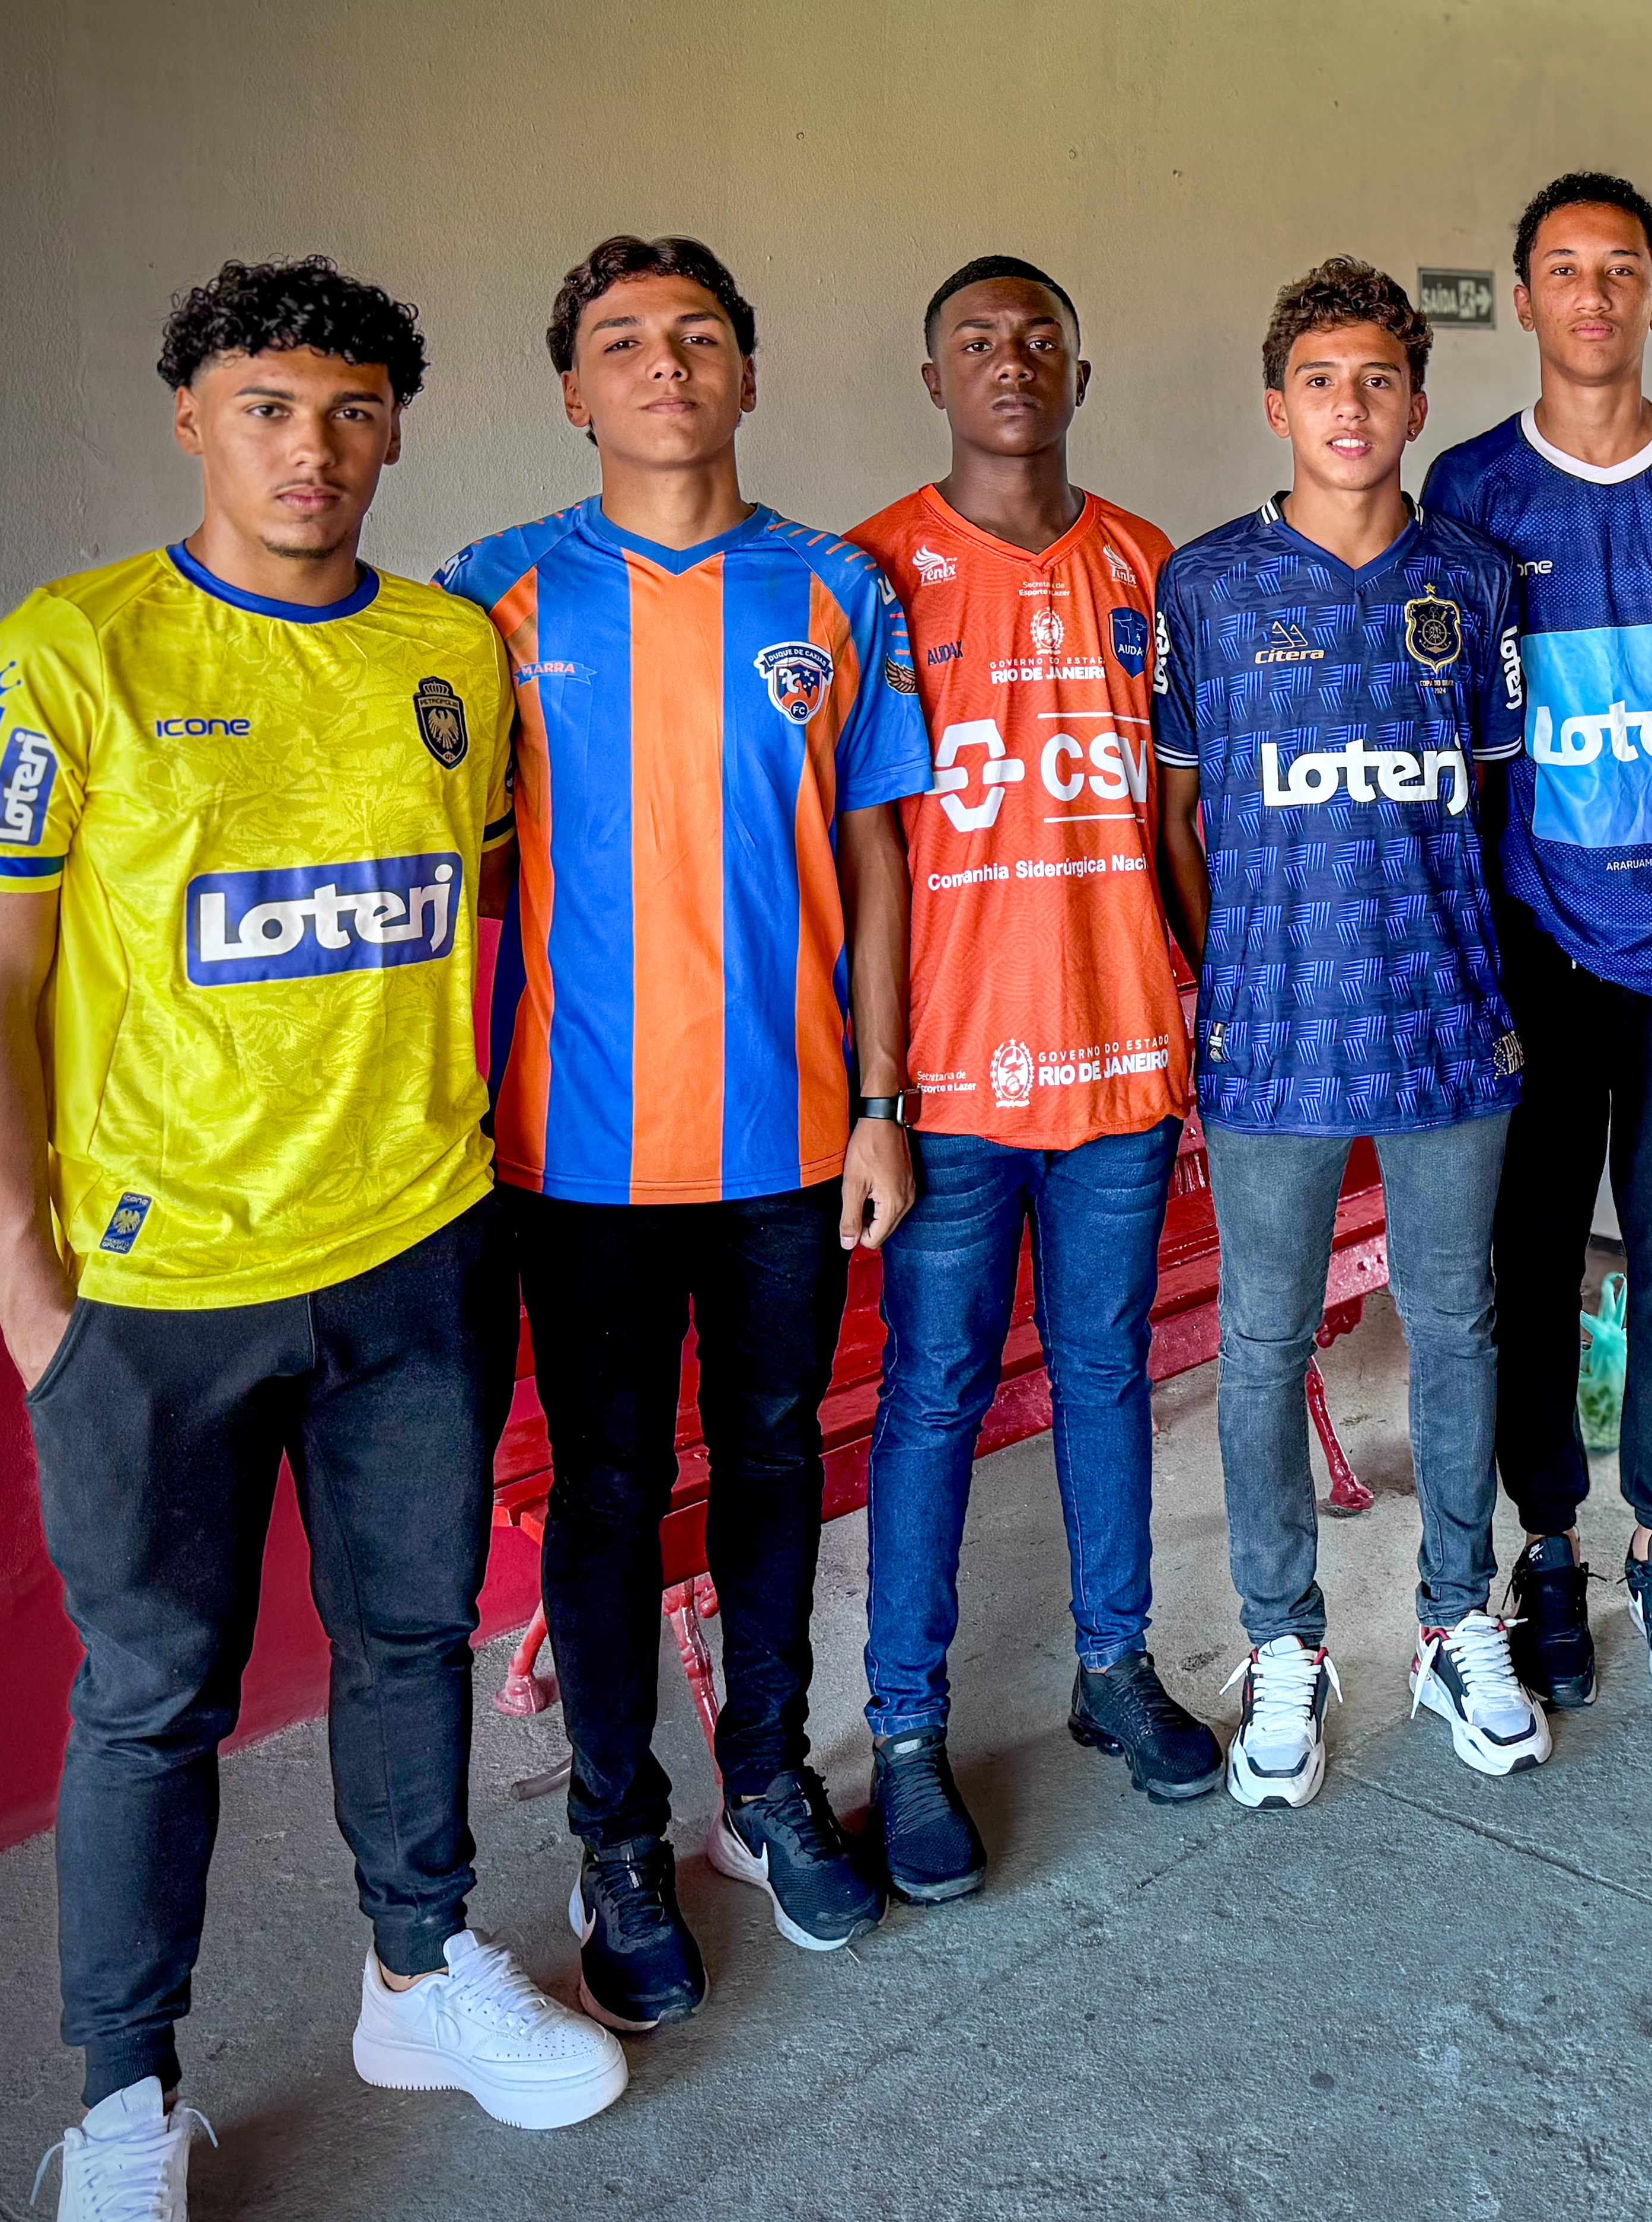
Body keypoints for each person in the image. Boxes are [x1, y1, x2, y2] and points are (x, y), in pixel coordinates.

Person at [0, 259, 625, 2217]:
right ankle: (123, 2098)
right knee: (152, 1695)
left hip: (416, 1254)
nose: (311, 447)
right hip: (154, 1288)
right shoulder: (67, 651)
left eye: (352, 410)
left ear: (400, 432)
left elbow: (501, 919)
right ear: (192, 417)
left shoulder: (447, 651)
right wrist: (26, 1282)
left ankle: (419, 1970)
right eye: (267, 405)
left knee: (411, 1634)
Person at [442, 235, 932, 2026]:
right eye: (622, 343)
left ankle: (768, 1783)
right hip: (573, 1158)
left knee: (784, 1460)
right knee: (612, 1491)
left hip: (797, 1141)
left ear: (748, 370)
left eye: (698, 335)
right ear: (573, 388)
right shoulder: (488, 601)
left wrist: (881, 1103)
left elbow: (875, 865)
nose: (664, 365)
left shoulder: (832, 592)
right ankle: (616, 1826)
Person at [844, 253, 1222, 1904]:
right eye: (976, 342)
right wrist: (869, 1084)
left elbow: (1184, 819)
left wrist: (1227, 1000)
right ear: (933, 378)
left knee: (1105, 1377)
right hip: (944, 1086)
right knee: (931, 1398)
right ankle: (908, 1734)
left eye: (1038, 338)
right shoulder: (867, 574)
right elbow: (856, 850)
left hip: (1124, 1064)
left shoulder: (1151, 564)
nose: (1011, 362)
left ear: (1082, 366)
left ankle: (1112, 1669)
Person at [1152, 258, 1546, 1805]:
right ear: (1276, 405)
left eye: (1378, 378)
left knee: (1454, 1327)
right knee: (1262, 1344)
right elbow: (1176, 818)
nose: (1350, 405)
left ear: (1416, 405)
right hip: (1276, 1038)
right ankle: (1283, 1648)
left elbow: (1500, 799)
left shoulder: (1475, 578)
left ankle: (1457, 1622)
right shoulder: (1208, 585)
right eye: (1321, 379)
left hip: (1450, 1025)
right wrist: (1232, 968)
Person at [1421, 172, 1652, 1707]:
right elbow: (1453, 726)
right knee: (1533, 1257)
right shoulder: (1469, 490)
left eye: (1616, 269)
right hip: (1532, 945)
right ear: (1522, 299)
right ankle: (1549, 1547)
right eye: (1560, 270)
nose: (1589, 295)